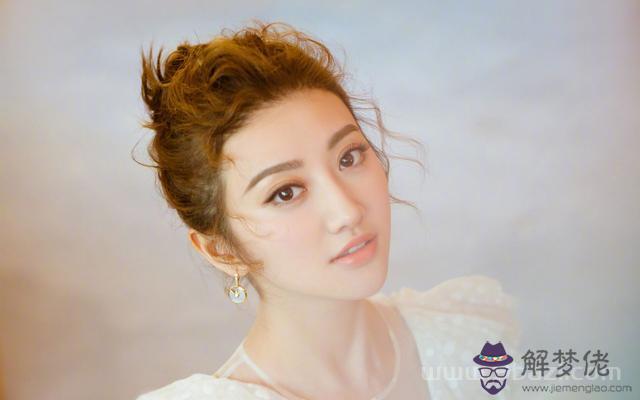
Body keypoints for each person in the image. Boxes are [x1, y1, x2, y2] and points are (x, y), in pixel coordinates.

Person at [134, 20, 520, 400]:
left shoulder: (465, 342)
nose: (347, 211)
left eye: (348, 157)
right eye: (286, 193)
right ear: (222, 250)